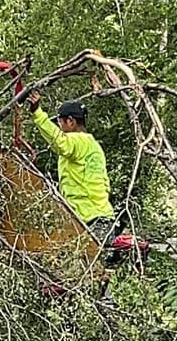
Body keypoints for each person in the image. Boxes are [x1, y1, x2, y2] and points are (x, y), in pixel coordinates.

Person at [27, 90, 114, 244]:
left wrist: (37, 113)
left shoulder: (76, 141)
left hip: (88, 219)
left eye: (60, 123)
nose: (59, 127)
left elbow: (60, 142)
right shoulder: (94, 146)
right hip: (104, 217)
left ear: (71, 121)